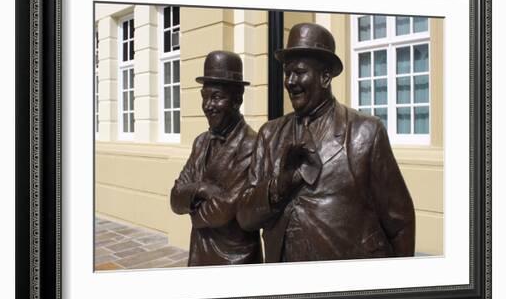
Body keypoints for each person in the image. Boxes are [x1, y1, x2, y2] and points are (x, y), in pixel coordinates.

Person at [237, 23, 415, 263]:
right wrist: (280, 185)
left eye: (299, 72)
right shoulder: (270, 135)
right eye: (287, 72)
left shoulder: (365, 132)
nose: (290, 81)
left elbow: (400, 222)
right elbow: (246, 216)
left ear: (325, 76)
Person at [171, 50, 262, 266]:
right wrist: (202, 189)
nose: (208, 105)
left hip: (236, 259)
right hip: (199, 253)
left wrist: (192, 206)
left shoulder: (253, 144)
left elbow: (219, 212)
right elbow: (175, 199)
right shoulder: (201, 142)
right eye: (204, 97)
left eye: (217, 97)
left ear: (237, 99)